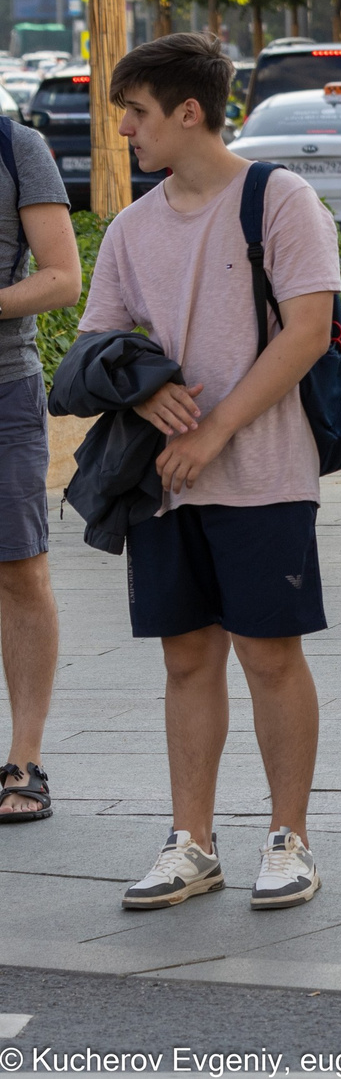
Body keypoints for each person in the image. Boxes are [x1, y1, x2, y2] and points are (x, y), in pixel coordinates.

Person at [79, 34, 341, 911]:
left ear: (189, 112)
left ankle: (289, 836)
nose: (124, 129)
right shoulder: (131, 226)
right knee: (186, 659)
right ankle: (192, 840)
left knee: (270, 655)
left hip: (263, 471)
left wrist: (216, 430)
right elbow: (95, 345)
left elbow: (306, 332)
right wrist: (148, 397)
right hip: (166, 481)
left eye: (137, 112)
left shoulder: (278, 200)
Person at [0, 107, 83, 825]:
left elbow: (62, 277)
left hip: (3, 393)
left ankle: (23, 760)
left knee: (20, 568)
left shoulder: (15, 147)